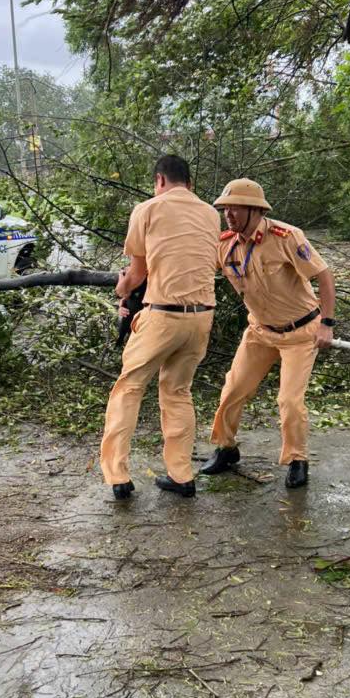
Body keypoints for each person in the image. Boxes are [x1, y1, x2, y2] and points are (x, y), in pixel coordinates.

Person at [201, 179, 335, 489]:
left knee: (289, 401)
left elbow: (324, 276)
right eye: (225, 208)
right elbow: (198, 272)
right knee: (232, 390)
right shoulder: (225, 244)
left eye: (235, 208)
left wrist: (327, 324)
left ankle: (297, 459)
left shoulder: (286, 237)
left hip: (300, 332)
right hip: (259, 332)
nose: (228, 214)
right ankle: (226, 448)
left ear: (255, 210)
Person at [100, 154, 220, 500]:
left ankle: (118, 476)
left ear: (159, 181)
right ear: (190, 184)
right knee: (178, 392)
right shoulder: (211, 214)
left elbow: (137, 274)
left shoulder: (148, 209)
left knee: (130, 388)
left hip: (163, 315)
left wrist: (123, 289)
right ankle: (182, 476)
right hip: (201, 317)